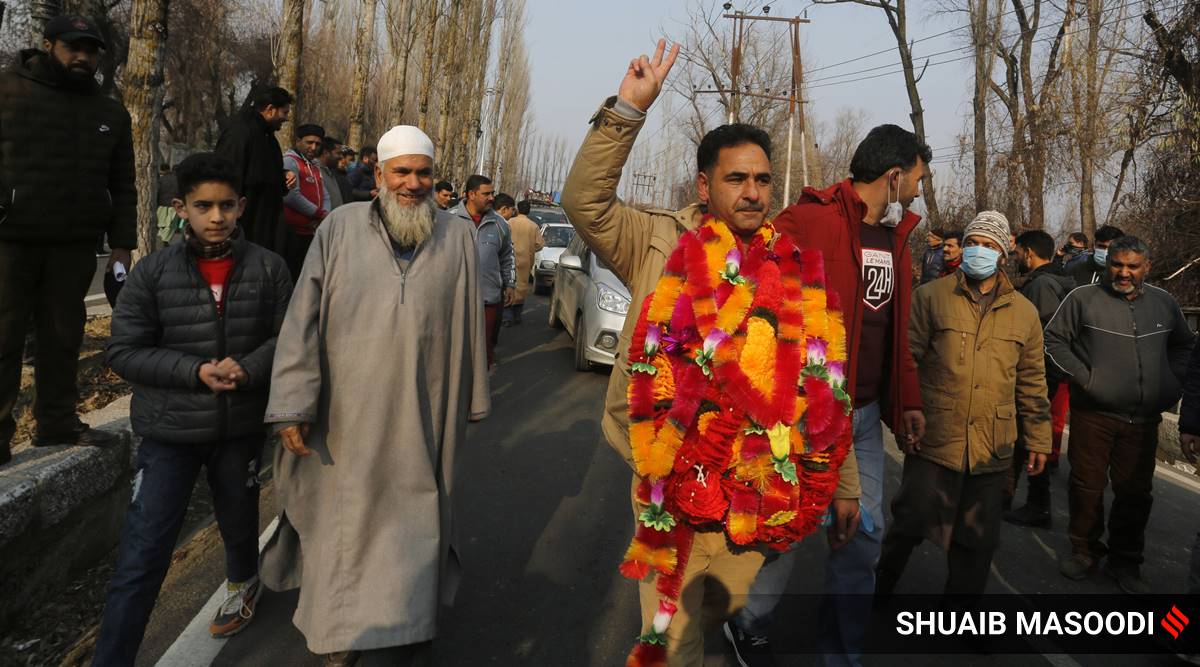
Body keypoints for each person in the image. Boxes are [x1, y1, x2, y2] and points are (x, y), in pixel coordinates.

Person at [561, 40, 859, 667]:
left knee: (719, 610)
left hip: (758, 487)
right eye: (736, 179)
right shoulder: (656, 239)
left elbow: (824, 383)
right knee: (670, 643)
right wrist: (626, 111)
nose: (752, 192)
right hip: (668, 481)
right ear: (704, 183)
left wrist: (845, 484)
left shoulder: (797, 269)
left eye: (761, 179)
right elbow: (584, 203)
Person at [261, 125, 490, 666]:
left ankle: (408, 626)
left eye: (423, 173)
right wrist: (293, 401)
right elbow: (302, 321)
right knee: (343, 528)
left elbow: (468, 325)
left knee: (417, 526)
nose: (412, 183)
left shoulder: (456, 236)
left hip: (423, 416)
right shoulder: (338, 229)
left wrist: (473, 397)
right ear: (380, 176)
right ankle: (339, 638)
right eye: (402, 172)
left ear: (435, 179)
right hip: (345, 420)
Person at [729, 124, 929, 667]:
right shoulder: (809, 220)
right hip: (803, 413)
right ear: (893, 176)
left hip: (862, 416)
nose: (917, 193)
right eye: (916, 180)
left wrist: (906, 399)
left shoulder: (899, 238)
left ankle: (842, 653)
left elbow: (895, 330)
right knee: (787, 528)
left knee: (863, 534)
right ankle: (748, 623)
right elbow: (755, 294)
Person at [93, 153, 292, 665]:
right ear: (181, 208)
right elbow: (124, 351)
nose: (217, 216)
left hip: (240, 426)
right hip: (168, 433)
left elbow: (290, 337)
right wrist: (193, 371)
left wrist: (248, 368)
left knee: (239, 517)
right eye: (203, 205)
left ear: (242, 205)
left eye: (227, 205)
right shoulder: (152, 273)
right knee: (142, 553)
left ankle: (243, 583)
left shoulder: (269, 268)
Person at [877, 211, 1051, 601]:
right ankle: (880, 585)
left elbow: (1032, 382)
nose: (978, 251)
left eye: (988, 246)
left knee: (977, 540)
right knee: (909, 522)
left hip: (992, 446)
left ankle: (963, 615)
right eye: (972, 243)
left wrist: (1040, 440)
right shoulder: (931, 297)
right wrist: (903, 417)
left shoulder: (1024, 314)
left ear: (1003, 254)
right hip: (935, 438)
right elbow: (907, 362)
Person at [0, 14, 134, 464]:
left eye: (92, 49)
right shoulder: (8, 91)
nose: (84, 57)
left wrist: (122, 244)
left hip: (74, 246)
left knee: (63, 338)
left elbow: (123, 181)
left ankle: (56, 423)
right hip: (10, 242)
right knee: (4, 338)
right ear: (47, 44)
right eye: (74, 47)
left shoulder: (109, 111)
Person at [1045, 235, 1195, 593]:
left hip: (1143, 421)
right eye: (1117, 264)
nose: (1123, 272)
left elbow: (1185, 346)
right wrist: (1086, 379)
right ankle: (1084, 551)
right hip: (1093, 414)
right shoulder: (1082, 299)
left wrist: (1170, 386)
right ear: (1107, 262)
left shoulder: (1165, 304)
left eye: (1132, 266)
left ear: (1147, 267)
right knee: (1086, 485)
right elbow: (1054, 340)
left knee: (1135, 493)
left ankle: (1125, 561)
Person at [1004, 229, 1074, 528]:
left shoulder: (1042, 285)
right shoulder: (1057, 281)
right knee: (1027, 435)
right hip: (1047, 372)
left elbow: (1035, 335)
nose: (1016, 257)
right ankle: (1020, 500)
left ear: (1029, 252)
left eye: (1017, 252)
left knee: (1025, 436)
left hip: (1037, 372)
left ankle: (1036, 504)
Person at [214, 85, 293, 249]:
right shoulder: (240, 133)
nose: (286, 118)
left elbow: (263, 171)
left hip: (264, 225)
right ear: (270, 109)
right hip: (244, 228)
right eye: (284, 112)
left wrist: (284, 176)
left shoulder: (267, 137)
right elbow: (225, 178)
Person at [449, 175, 513, 370]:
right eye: (486, 193)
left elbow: (507, 256)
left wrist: (510, 284)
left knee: (483, 351)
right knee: (453, 350)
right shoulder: (448, 220)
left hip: (488, 299)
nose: (492, 197)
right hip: (454, 300)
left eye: (492, 193)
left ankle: (480, 396)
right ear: (471, 194)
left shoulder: (500, 224)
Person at [281, 124, 331, 282]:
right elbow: (290, 195)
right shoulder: (289, 162)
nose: (313, 147)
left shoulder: (315, 166)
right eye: (309, 142)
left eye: (317, 143)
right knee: (293, 275)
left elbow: (325, 194)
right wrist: (318, 213)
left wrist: (325, 215)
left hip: (311, 232)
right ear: (298, 141)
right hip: (293, 234)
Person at [500, 197, 542, 326]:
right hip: (525, 259)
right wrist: (530, 248)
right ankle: (517, 315)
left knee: (508, 283)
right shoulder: (533, 226)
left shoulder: (509, 222)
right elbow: (539, 244)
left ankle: (507, 316)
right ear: (529, 211)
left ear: (517, 209)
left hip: (508, 258)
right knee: (521, 287)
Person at [318, 136, 351, 210]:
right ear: (326, 153)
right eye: (338, 153)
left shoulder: (333, 172)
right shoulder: (315, 172)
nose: (341, 157)